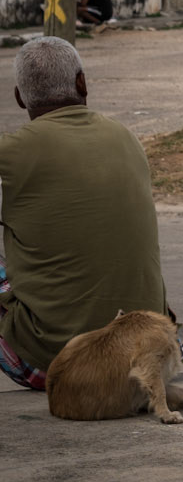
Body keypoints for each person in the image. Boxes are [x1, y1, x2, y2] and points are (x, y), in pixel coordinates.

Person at [0, 35, 169, 390]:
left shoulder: (12, 151)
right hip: (152, 359)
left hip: (63, 369)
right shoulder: (127, 137)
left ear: (19, 97)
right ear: (82, 82)